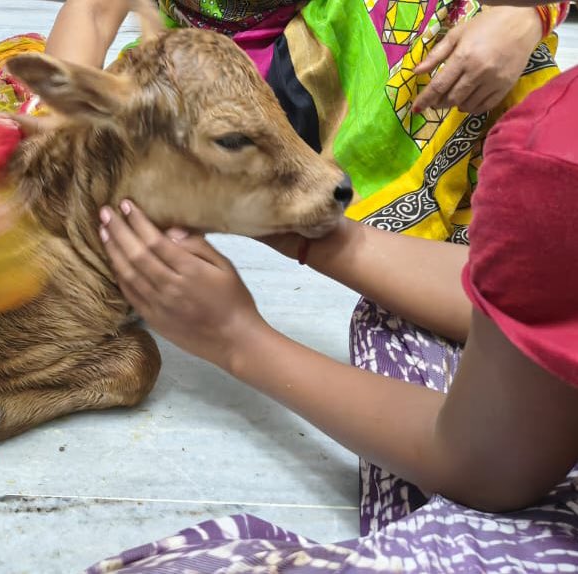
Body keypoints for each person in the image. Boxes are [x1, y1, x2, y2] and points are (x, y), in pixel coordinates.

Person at [87, 0, 578, 570]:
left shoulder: (548, 159)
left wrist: (236, 338)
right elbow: (533, 297)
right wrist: (310, 239)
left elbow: (486, 462)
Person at [45, 0, 568, 246]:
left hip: (335, 66)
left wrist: (524, 15)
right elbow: (91, 13)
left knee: (471, 27)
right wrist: (60, 120)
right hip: (205, 93)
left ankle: (525, 213)